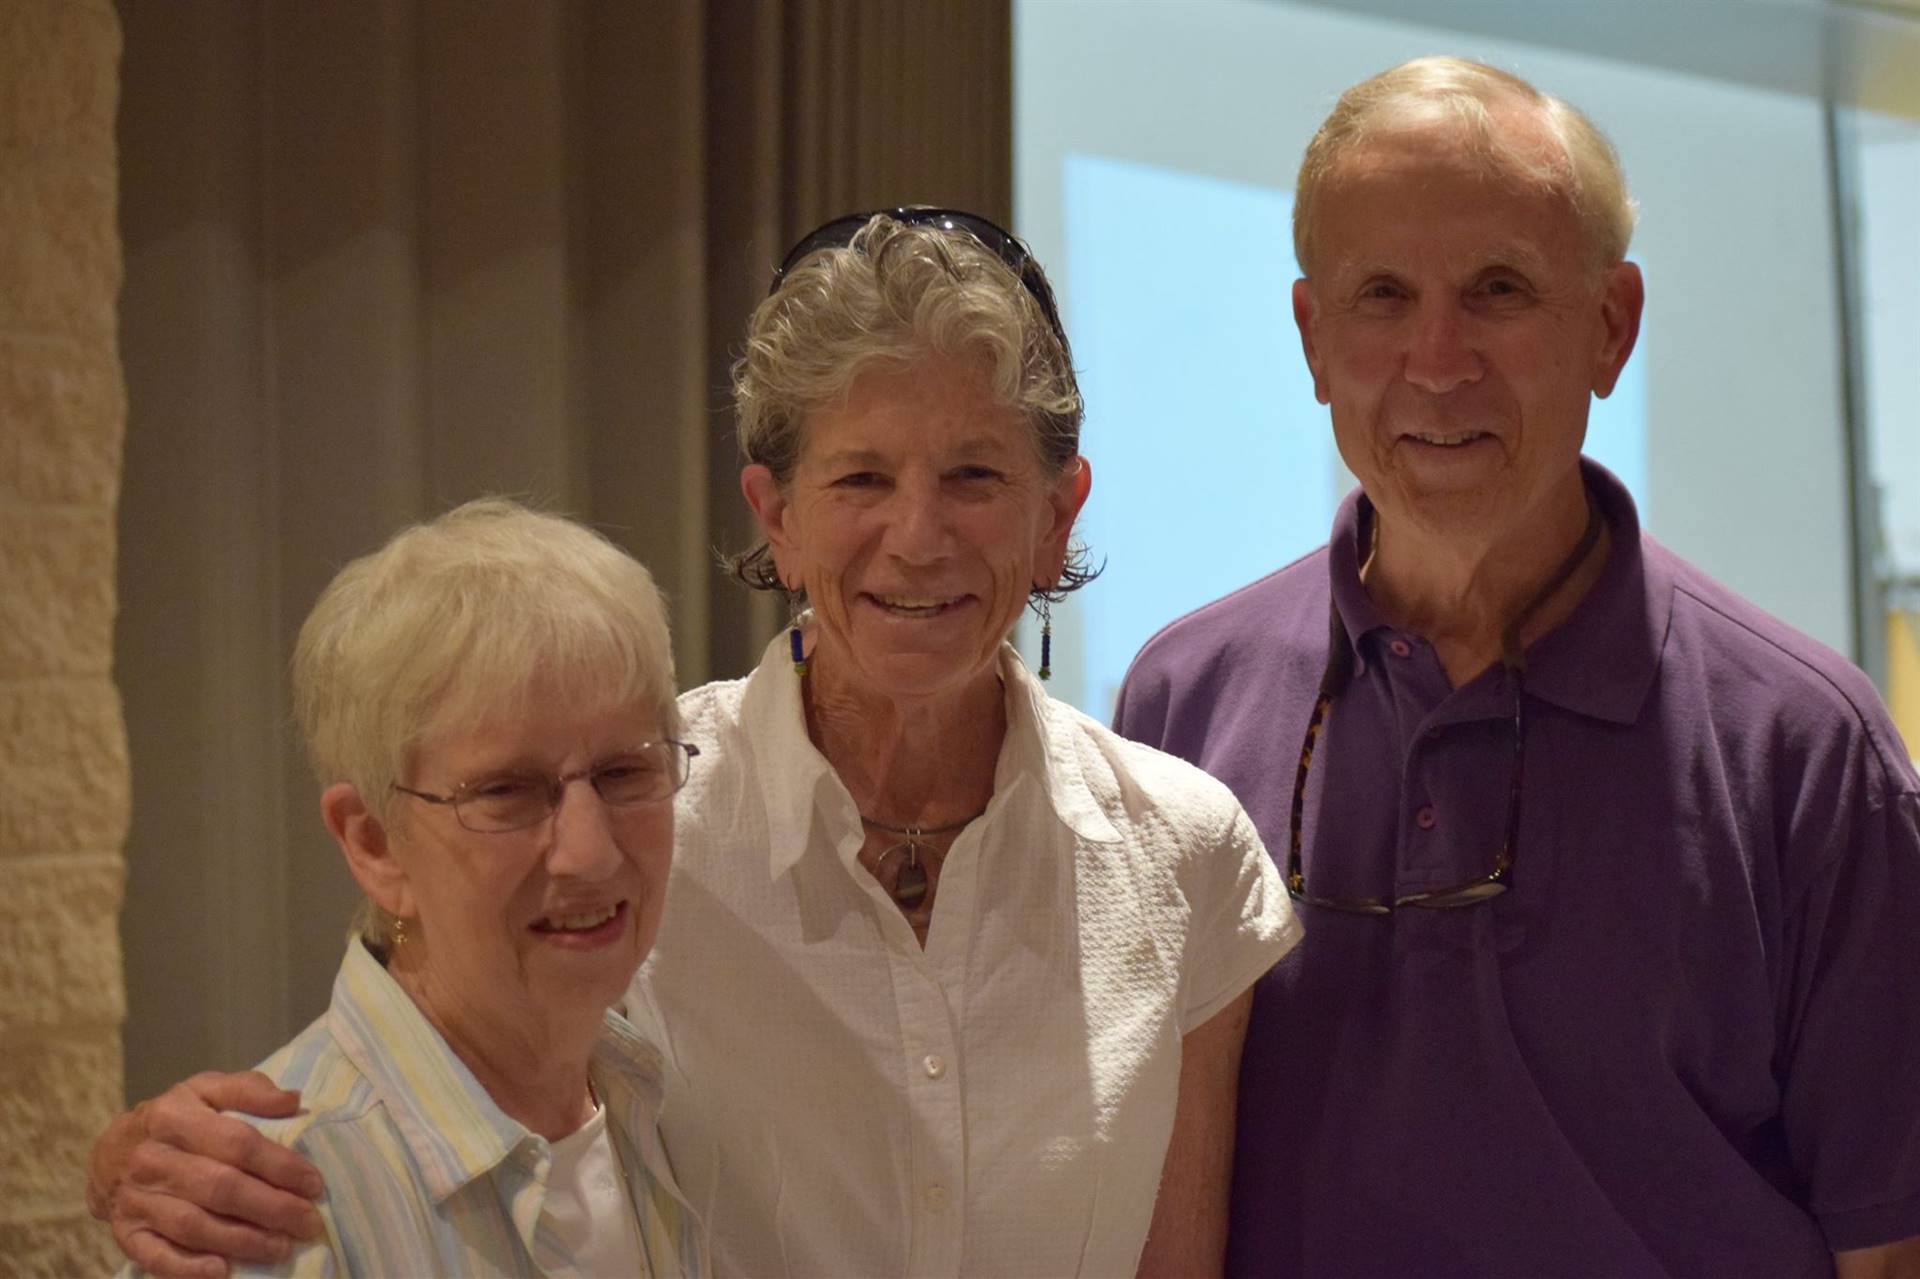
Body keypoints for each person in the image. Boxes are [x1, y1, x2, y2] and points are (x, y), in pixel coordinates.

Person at [90, 210, 1301, 1277]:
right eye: (862, 478)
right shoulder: (629, 815)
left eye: (975, 474)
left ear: (1058, 514)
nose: (919, 537)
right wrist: (154, 1154)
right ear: (774, 518)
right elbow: (414, 1061)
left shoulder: (1183, 854)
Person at [1112, 56, 1920, 1276]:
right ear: (1313, 336)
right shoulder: (1181, 703)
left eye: (1499, 290)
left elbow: (1889, 1241)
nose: (1438, 362)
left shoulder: (1807, 751)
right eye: (1382, 294)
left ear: (1611, 325)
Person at [111, 499, 705, 1276]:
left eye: (625, 770)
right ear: (374, 841)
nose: (589, 853)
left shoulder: (646, 1099)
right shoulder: (266, 1208)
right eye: (507, 792)